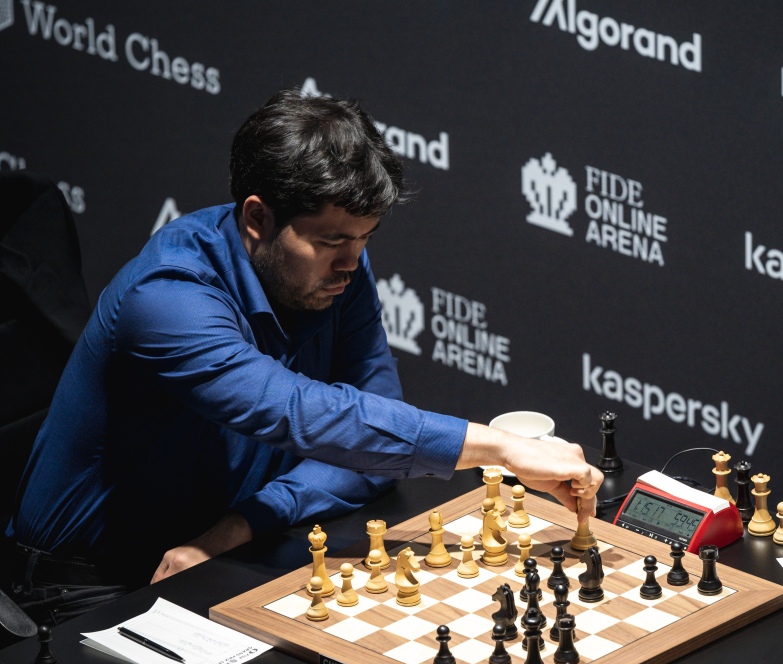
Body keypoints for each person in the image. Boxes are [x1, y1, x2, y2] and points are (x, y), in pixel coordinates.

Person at [1, 89, 603, 627]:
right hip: (81, 585)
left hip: (215, 547)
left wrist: (237, 527)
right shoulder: (167, 298)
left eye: (364, 239)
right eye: (332, 240)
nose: (351, 263)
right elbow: (303, 415)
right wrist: (497, 448)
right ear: (258, 217)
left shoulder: (337, 271)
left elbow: (368, 443)